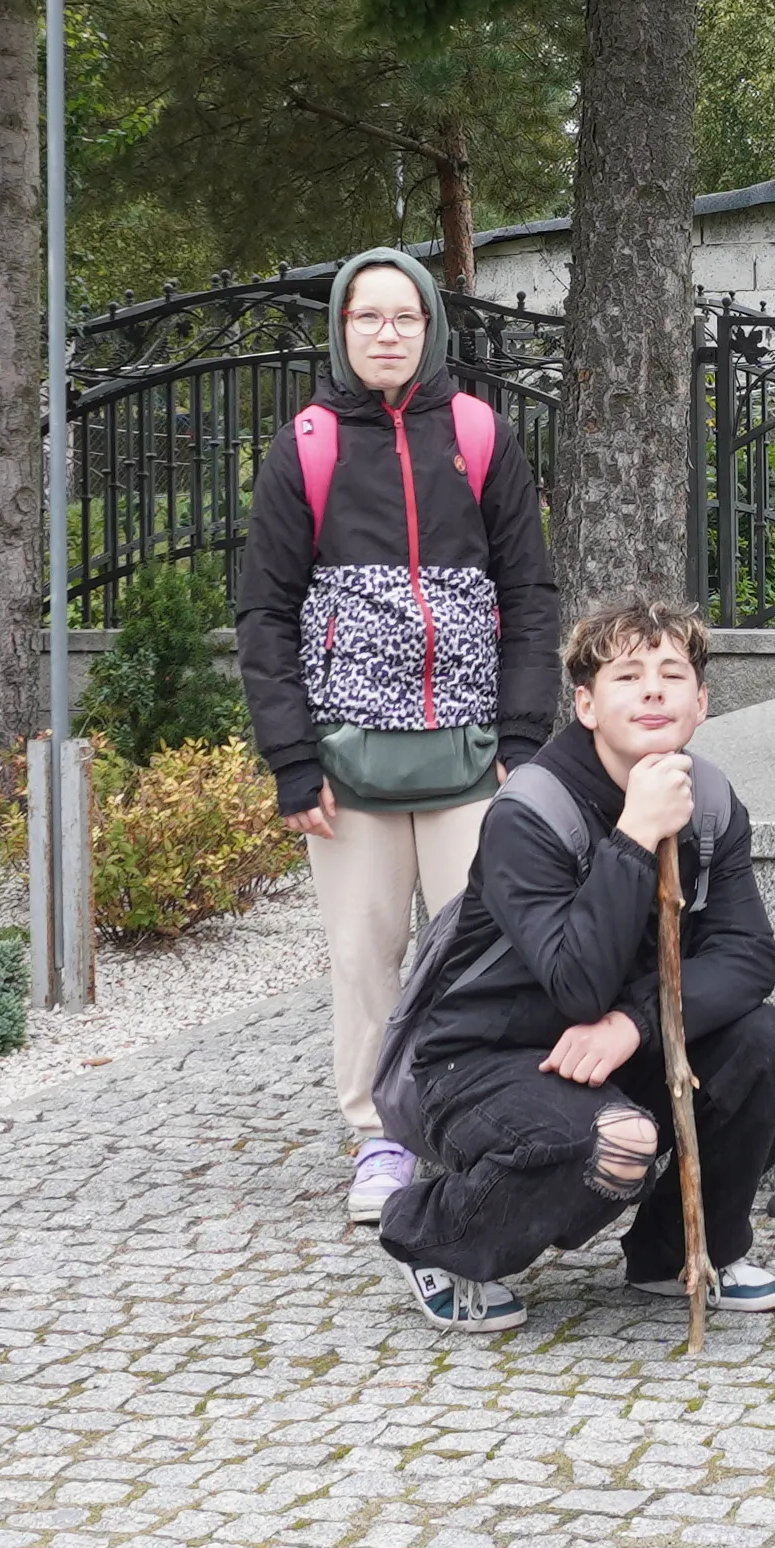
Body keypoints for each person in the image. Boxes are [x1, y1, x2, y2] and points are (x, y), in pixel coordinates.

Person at [232, 246, 559, 1238]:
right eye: (367, 317)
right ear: (342, 329)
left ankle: (469, 1119)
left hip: (472, 753)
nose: (386, 333)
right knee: (365, 956)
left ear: (431, 329)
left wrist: (523, 735)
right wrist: (293, 760)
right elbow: (264, 613)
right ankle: (380, 1135)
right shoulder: (307, 446)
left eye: (404, 317)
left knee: (480, 952)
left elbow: (529, 591)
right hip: (347, 762)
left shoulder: (479, 434)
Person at [370, 594, 775, 1333]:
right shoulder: (530, 812)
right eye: (628, 677)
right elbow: (576, 983)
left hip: (613, 1045)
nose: (653, 691)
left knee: (770, 1047)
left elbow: (748, 954)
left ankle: (680, 1252)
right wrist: (634, 837)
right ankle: (437, 1239)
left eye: (673, 675)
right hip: (485, 1061)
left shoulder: (709, 802)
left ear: (702, 702)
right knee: (615, 1141)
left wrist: (635, 1026)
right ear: (586, 705)